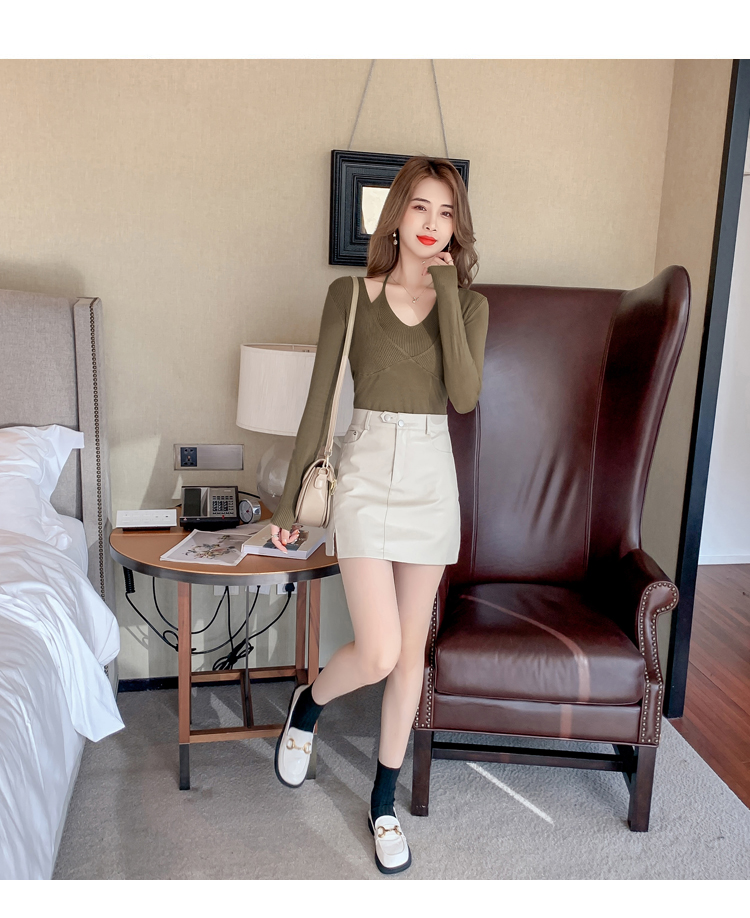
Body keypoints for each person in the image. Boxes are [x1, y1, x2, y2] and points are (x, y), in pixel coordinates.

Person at [268, 155, 489, 874]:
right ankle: (310, 704)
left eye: (446, 213)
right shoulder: (350, 295)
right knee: (380, 651)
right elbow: (320, 399)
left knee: (409, 657)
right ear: (396, 214)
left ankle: (383, 802)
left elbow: (463, 396)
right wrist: (289, 501)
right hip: (363, 471)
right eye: (420, 207)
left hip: (430, 477)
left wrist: (448, 288)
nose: (432, 223)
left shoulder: (469, 305)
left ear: (456, 228)